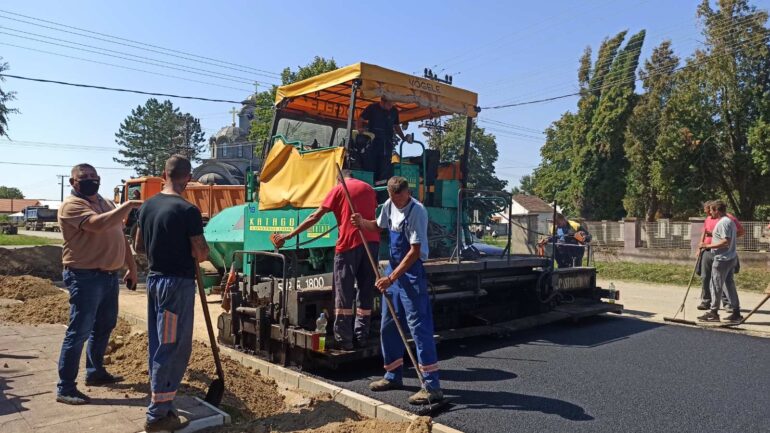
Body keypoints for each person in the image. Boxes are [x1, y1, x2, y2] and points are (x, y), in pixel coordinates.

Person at [351, 176, 443, 405]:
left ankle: (432, 386)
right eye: (392, 198)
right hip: (393, 268)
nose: (396, 202)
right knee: (388, 323)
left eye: (399, 198)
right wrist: (362, 222)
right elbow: (378, 225)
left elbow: (414, 252)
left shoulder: (417, 212)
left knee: (419, 327)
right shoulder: (389, 205)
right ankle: (393, 374)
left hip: (410, 272)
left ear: (406, 193)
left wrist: (390, 278)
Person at [56, 163, 142, 404]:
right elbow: (98, 225)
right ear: (73, 182)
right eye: (84, 177)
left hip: (108, 276)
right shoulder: (72, 206)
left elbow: (120, 236)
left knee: (104, 325)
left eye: (94, 176)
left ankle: (95, 373)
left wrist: (132, 268)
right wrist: (128, 206)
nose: (90, 180)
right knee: (79, 331)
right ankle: (65, 387)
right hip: (84, 277)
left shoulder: (105, 202)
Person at [135, 155, 210, 432]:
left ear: (162, 174)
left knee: (159, 344)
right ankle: (157, 416)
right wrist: (200, 250)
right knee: (173, 347)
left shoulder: (147, 206)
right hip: (176, 286)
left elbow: (139, 246)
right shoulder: (187, 210)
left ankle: (164, 405)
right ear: (187, 177)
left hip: (154, 282)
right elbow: (200, 253)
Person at [273, 169, 379, 350]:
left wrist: (289, 235)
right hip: (372, 244)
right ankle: (362, 336)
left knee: (343, 292)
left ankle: (344, 339)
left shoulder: (339, 189)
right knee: (366, 290)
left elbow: (315, 216)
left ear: (338, 179)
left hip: (348, 245)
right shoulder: (369, 189)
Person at [698, 200, 742, 323]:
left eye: (711, 210)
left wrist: (707, 246)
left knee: (716, 286)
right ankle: (736, 312)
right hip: (730, 258)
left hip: (722, 259)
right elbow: (724, 237)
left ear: (717, 210)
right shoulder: (730, 221)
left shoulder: (723, 222)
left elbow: (725, 242)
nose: (710, 213)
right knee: (729, 285)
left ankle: (713, 312)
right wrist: (712, 234)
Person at [355, 95, 411, 182]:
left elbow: (396, 126)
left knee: (385, 168)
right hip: (373, 143)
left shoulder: (394, 111)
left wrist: (403, 138)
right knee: (371, 166)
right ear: (382, 102)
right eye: (389, 104)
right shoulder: (372, 108)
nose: (391, 107)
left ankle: (381, 189)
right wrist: (360, 129)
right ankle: (370, 185)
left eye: (392, 104)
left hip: (387, 144)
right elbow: (360, 119)